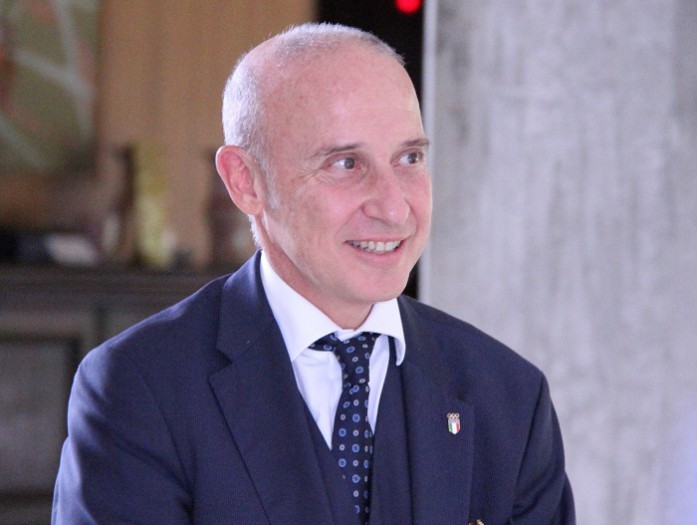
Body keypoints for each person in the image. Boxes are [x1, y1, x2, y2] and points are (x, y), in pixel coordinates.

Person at [52, 23, 575, 525]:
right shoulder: (140, 390)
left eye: (410, 157)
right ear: (245, 181)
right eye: (346, 164)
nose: (394, 207)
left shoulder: (509, 398)